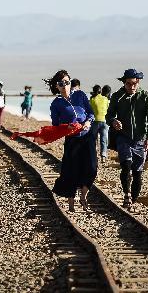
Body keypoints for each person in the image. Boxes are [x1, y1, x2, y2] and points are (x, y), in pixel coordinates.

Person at [105, 68, 148, 210]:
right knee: (126, 166)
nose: (132, 87)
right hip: (123, 137)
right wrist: (114, 121)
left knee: (138, 172)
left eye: (134, 83)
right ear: (124, 83)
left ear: (138, 83)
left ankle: (132, 199)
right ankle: (126, 194)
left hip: (140, 139)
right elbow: (108, 116)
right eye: (128, 84)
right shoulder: (117, 96)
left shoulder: (146, 97)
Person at [47, 69, 95, 211]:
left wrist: (88, 122)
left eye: (67, 82)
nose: (64, 85)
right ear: (57, 86)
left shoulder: (80, 95)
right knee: (71, 170)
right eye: (61, 84)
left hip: (87, 136)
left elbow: (91, 113)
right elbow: (55, 125)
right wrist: (66, 126)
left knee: (92, 167)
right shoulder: (56, 104)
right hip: (72, 139)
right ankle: (71, 204)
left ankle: (83, 196)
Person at [89, 85, 110, 163]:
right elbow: (109, 109)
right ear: (100, 91)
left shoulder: (92, 99)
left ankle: (94, 155)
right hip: (105, 122)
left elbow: (89, 110)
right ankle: (103, 156)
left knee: (94, 139)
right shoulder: (106, 99)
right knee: (103, 140)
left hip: (95, 121)